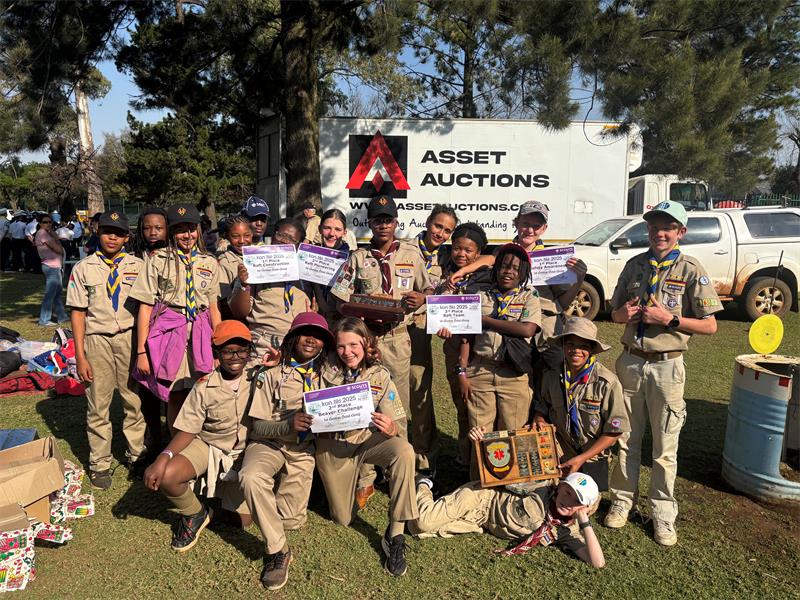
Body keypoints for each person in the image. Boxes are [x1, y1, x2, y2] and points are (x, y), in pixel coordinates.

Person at [604, 201, 722, 546]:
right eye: (655, 226)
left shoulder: (690, 269)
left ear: (680, 232)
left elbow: (711, 325)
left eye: (668, 227)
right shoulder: (634, 265)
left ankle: (662, 515)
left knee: (665, 446)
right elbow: (614, 313)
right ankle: (622, 502)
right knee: (625, 437)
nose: (660, 232)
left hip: (667, 366)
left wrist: (668, 319)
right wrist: (621, 316)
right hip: (630, 361)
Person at [330, 194, 432, 507]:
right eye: (377, 219)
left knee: (395, 404)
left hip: (398, 338)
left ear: (396, 222)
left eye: (388, 219)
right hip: (367, 340)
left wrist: (421, 298)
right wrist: (362, 308)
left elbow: (427, 288)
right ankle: (366, 474)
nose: (383, 225)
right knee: (363, 401)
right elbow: (339, 297)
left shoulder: (412, 255)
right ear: (369, 223)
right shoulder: (358, 258)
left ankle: (397, 470)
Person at [315, 317, 418, 577]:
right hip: (334, 446)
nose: (347, 352)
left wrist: (392, 428)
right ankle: (348, 487)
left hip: (366, 442)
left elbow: (396, 416)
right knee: (342, 518)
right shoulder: (322, 368)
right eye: (341, 346)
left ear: (366, 343)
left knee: (404, 452)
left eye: (353, 345)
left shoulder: (379, 374)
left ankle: (395, 534)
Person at [239, 312, 333, 591]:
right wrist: (286, 425)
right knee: (251, 476)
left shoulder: (329, 374)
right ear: (293, 337)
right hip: (270, 445)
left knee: (291, 520)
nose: (311, 340)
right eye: (305, 333)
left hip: (303, 450)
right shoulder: (271, 374)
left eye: (317, 336)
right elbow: (256, 427)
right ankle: (277, 551)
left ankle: (266, 507)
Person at [143, 320, 253, 552]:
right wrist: (163, 456)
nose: (235, 356)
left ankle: (214, 509)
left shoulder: (260, 378)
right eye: (228, 351)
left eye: (242, 350)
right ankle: (195, 513)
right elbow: (189, 429)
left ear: (249, 352)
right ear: (216, 353)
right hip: (210, 444)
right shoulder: (203, 386)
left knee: (243, 522)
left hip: (246, 451)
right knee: (168, 475)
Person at [450, 201, 587, 373]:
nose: (530, 230)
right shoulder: (504, 252)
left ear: (544, 228)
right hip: (511, 324)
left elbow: (562, 303)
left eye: (536, 226)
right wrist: (463, 270)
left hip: (545, 327)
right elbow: (491, 259)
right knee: (514, 376)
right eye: (525, 224)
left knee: (550, 377)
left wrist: (579, 278)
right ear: (516, 223)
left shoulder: (554, 260)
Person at [410, 451, 605, 568]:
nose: (568, 501)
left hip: (480, 522)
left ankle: (433, 497)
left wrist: (584, 522)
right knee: (423, 522)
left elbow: (597, 563)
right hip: (481, 498)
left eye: (577, 501)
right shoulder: (542, 486)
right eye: (568, 492)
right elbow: (505, 468)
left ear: (584, 507)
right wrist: (479, 440)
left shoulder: (565, 531)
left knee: (418, 530)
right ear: (561, 486)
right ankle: (423, 482)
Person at [67, 211, 146, 489]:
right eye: (107, 231)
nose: (112, 237)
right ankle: (99, 462)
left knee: (132, 401)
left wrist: (142, 348)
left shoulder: (139, 266)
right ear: (97, 233)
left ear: (127, 237)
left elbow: (146, 308)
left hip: (128, 338)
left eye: (119, 232)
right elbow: (78, 313)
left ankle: (136, 455)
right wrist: (80, 355)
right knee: (98, 404)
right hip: (97, 340)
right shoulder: (83, 268)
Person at [130, 203, 222, 432]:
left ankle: (197, 447)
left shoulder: (209, 262)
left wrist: (219, 347)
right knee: (176, 393)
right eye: (180, 230)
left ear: (198, 230)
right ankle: (174, 446)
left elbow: (214, 308)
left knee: (201, 391)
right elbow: (145, 308)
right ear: (171, 233)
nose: (187, 235)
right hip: (171, 332)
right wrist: (142, 352)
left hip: (201, 333)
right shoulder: (158, 260)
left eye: (191, 229)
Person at [456, 243, 541, 468]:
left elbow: (527, 329)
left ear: (523, 273)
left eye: (515, 268)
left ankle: (511, 484)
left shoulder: (529, 298)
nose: (508, 272)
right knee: (479, 431)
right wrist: (462, 372)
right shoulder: (480, 296)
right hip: (480, 371)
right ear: (496, 269)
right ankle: (479, 481)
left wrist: (484, 320)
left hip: (513, 375)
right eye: (504, 266)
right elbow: (467, 336)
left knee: (513, 430)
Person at [532, 317, 628, 490]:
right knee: (549, 501)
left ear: (591, 350)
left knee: (581, 506)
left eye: (583, 346)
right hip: (560, 450)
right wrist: (539, 418)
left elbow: (614, 432)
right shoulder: (551, 375)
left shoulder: (607, 382)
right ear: (563, 346)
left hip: (591, 455)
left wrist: (581, 459)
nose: (576, 351)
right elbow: (542, 406)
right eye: (570, 345)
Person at [434, 223, 494, 466]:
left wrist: (463, 273)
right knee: (460, 404)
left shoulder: (487, 275)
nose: (461, 254)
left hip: (479, 352)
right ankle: (465, 454)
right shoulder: (444, 268)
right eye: (457, 248)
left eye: (468, 250)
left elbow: (493, 257)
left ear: (477, 253)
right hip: (452, 346)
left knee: (478, 407)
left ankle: (481, 459)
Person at [408, 205, 458, 473]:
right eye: (438, 226)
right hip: (395, 329)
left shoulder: (449, 258)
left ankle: (424, 458)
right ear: (428, 222)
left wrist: (427, 297)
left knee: (420, 395)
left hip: (422, 333)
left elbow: (486, 260)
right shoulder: (404, 248)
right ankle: (387, 458)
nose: (440, 233)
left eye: (447, 230)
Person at [230, 217, 310, 363]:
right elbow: (239, 312)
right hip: (262, 345)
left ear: (299, 246)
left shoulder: (307, 270)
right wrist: (243, 284)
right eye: (281, 235)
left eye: (292, 239)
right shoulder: (254, 263)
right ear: (272, 236)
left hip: (298, 346)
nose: (285, 241)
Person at [133, 207, 170, 457]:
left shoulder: (176, 257)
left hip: (169, 333)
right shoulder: (133, 258)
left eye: (158, 227)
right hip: (141, 330)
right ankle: (154, 440)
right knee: (147, 393)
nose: (153, 232)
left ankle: (173, 443)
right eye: (147, 227)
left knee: (172, 390)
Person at [309, 208, 354, 323]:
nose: (331, 234)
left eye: (338, 229)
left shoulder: (353, 259)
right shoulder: (309, 256)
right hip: (316, 319)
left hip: (344, 322)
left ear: (344, 233)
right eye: (327, 228)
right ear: (319, 229)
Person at [35, 214, 69, 326]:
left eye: (50, 222)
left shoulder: (47, 233)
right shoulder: (43, 234)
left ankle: (62, 316)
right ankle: (44, 320)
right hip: (51, 267)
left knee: (57, 293)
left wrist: (54, 235)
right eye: (45, 222)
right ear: (40, 223)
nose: (48, 224)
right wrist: (56, 238)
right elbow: (58, 249)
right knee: (50, 294)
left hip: (54, 266)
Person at [217, 215, 252, 308]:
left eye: (247, 235)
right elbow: (223, 300)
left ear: (252, 234)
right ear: (227, 236)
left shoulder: (259, 256)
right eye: (235, 236)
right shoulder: (224, 262)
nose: (241, 241)